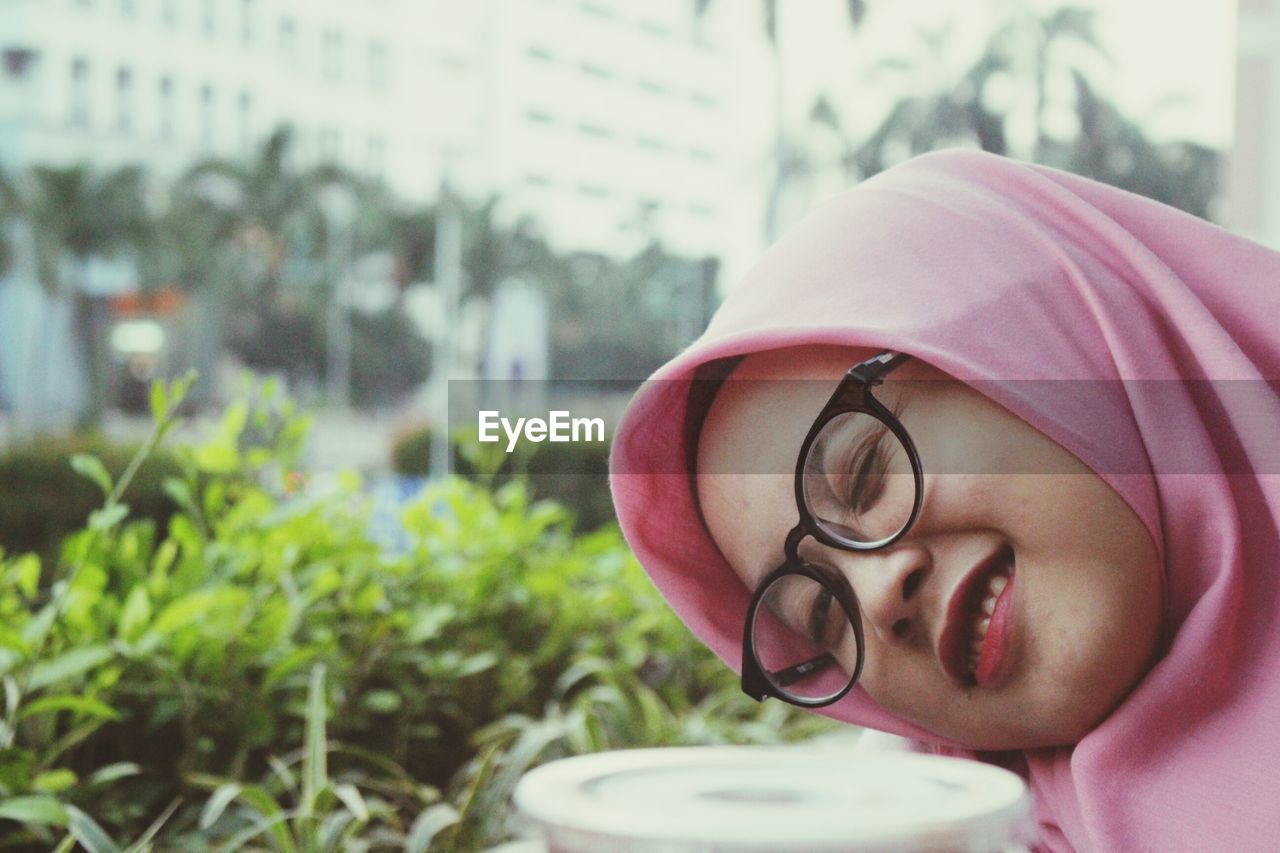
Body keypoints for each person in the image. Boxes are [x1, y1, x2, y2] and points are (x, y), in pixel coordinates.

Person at [607, 149, 1280, 852]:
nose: (877, 597)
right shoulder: (939, 823)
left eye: (864, 475)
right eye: (824, 616)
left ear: (1048, 344)